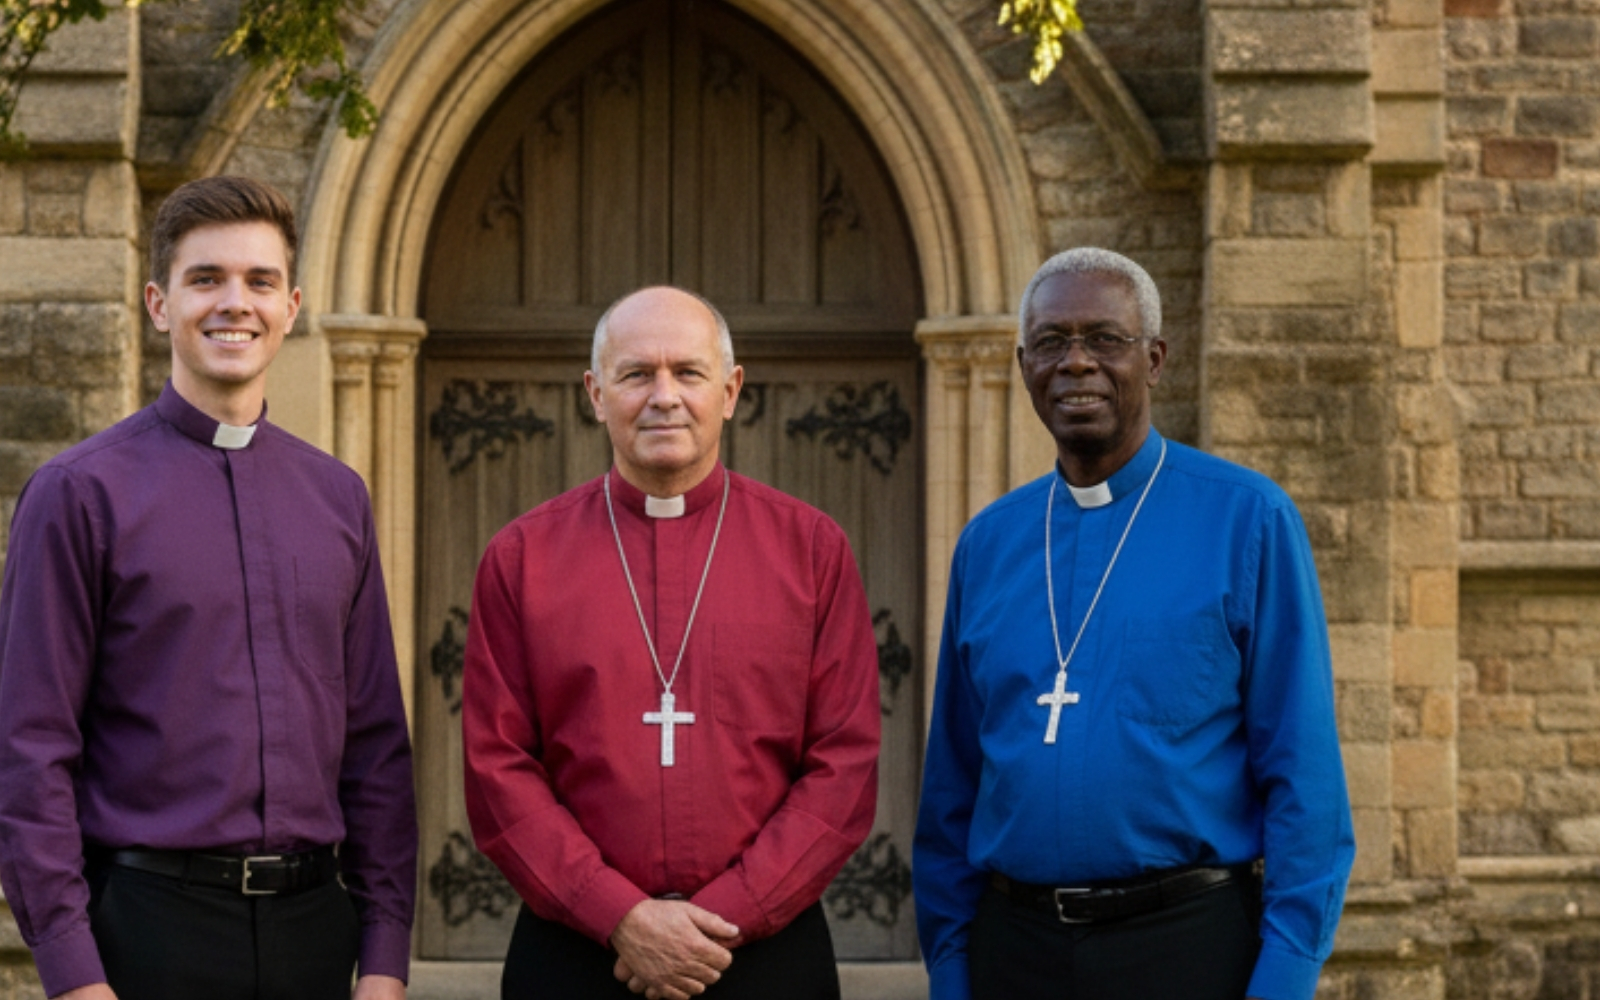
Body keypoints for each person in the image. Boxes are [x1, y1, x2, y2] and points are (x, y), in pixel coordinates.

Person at [0, 176, 415, 1000]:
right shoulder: (78, 494)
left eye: (259, 282)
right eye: (205, 280)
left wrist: (386, 962)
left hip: (313, 936)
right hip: (146, 935)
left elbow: (376, 748)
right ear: (159, 304)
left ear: (291, 307)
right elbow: (31, 754)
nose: (235, 304)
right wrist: (75, 978)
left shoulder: (336, 498)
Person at [913, 247, 1354, 1000]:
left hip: (1187, 947)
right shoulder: (988, 544)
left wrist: (1283, 979)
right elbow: (951, 788)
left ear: (1153, 359)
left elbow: (1304, 782)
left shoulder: (1246, 521)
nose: (1076, 362)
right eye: (1051, 342)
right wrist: (952, 970)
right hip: (1012, 952)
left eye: (1104, 339)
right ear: (1023, 366)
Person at [463, 286, 883, 1000]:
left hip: (763, 956)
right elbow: (498, 768)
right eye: (636, 375)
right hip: (578, 951)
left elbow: (844, 764)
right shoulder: (522, 557)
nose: (664, 396)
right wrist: (618, 914)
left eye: (687, 372)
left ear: (730, 389)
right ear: (596, 394)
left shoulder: (811, 549)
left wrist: (724, 917)